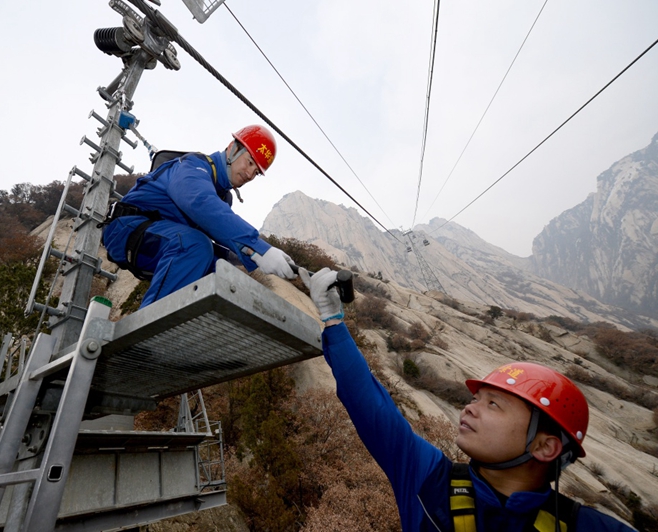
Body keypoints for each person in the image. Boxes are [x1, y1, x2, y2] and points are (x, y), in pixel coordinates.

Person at [298, 267, 636, 531]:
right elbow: (370, 406)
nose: (470, 408)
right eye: (476, 398)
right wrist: (333, 322)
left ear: (546, 446)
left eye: (493, 404)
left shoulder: (591, 527)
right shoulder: (429, 479)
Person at [103, 125, 296, 308]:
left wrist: (249, 256)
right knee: (196, 246)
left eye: (256, 172)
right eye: (250, 162)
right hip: (126, 229)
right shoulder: (193, 166)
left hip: (160, 238)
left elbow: (218, 229)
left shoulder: (223, 197)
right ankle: (151, 324)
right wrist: (260, 248)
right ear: (232, 148)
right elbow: (200, 203)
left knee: (223, 274)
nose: (249, 174)